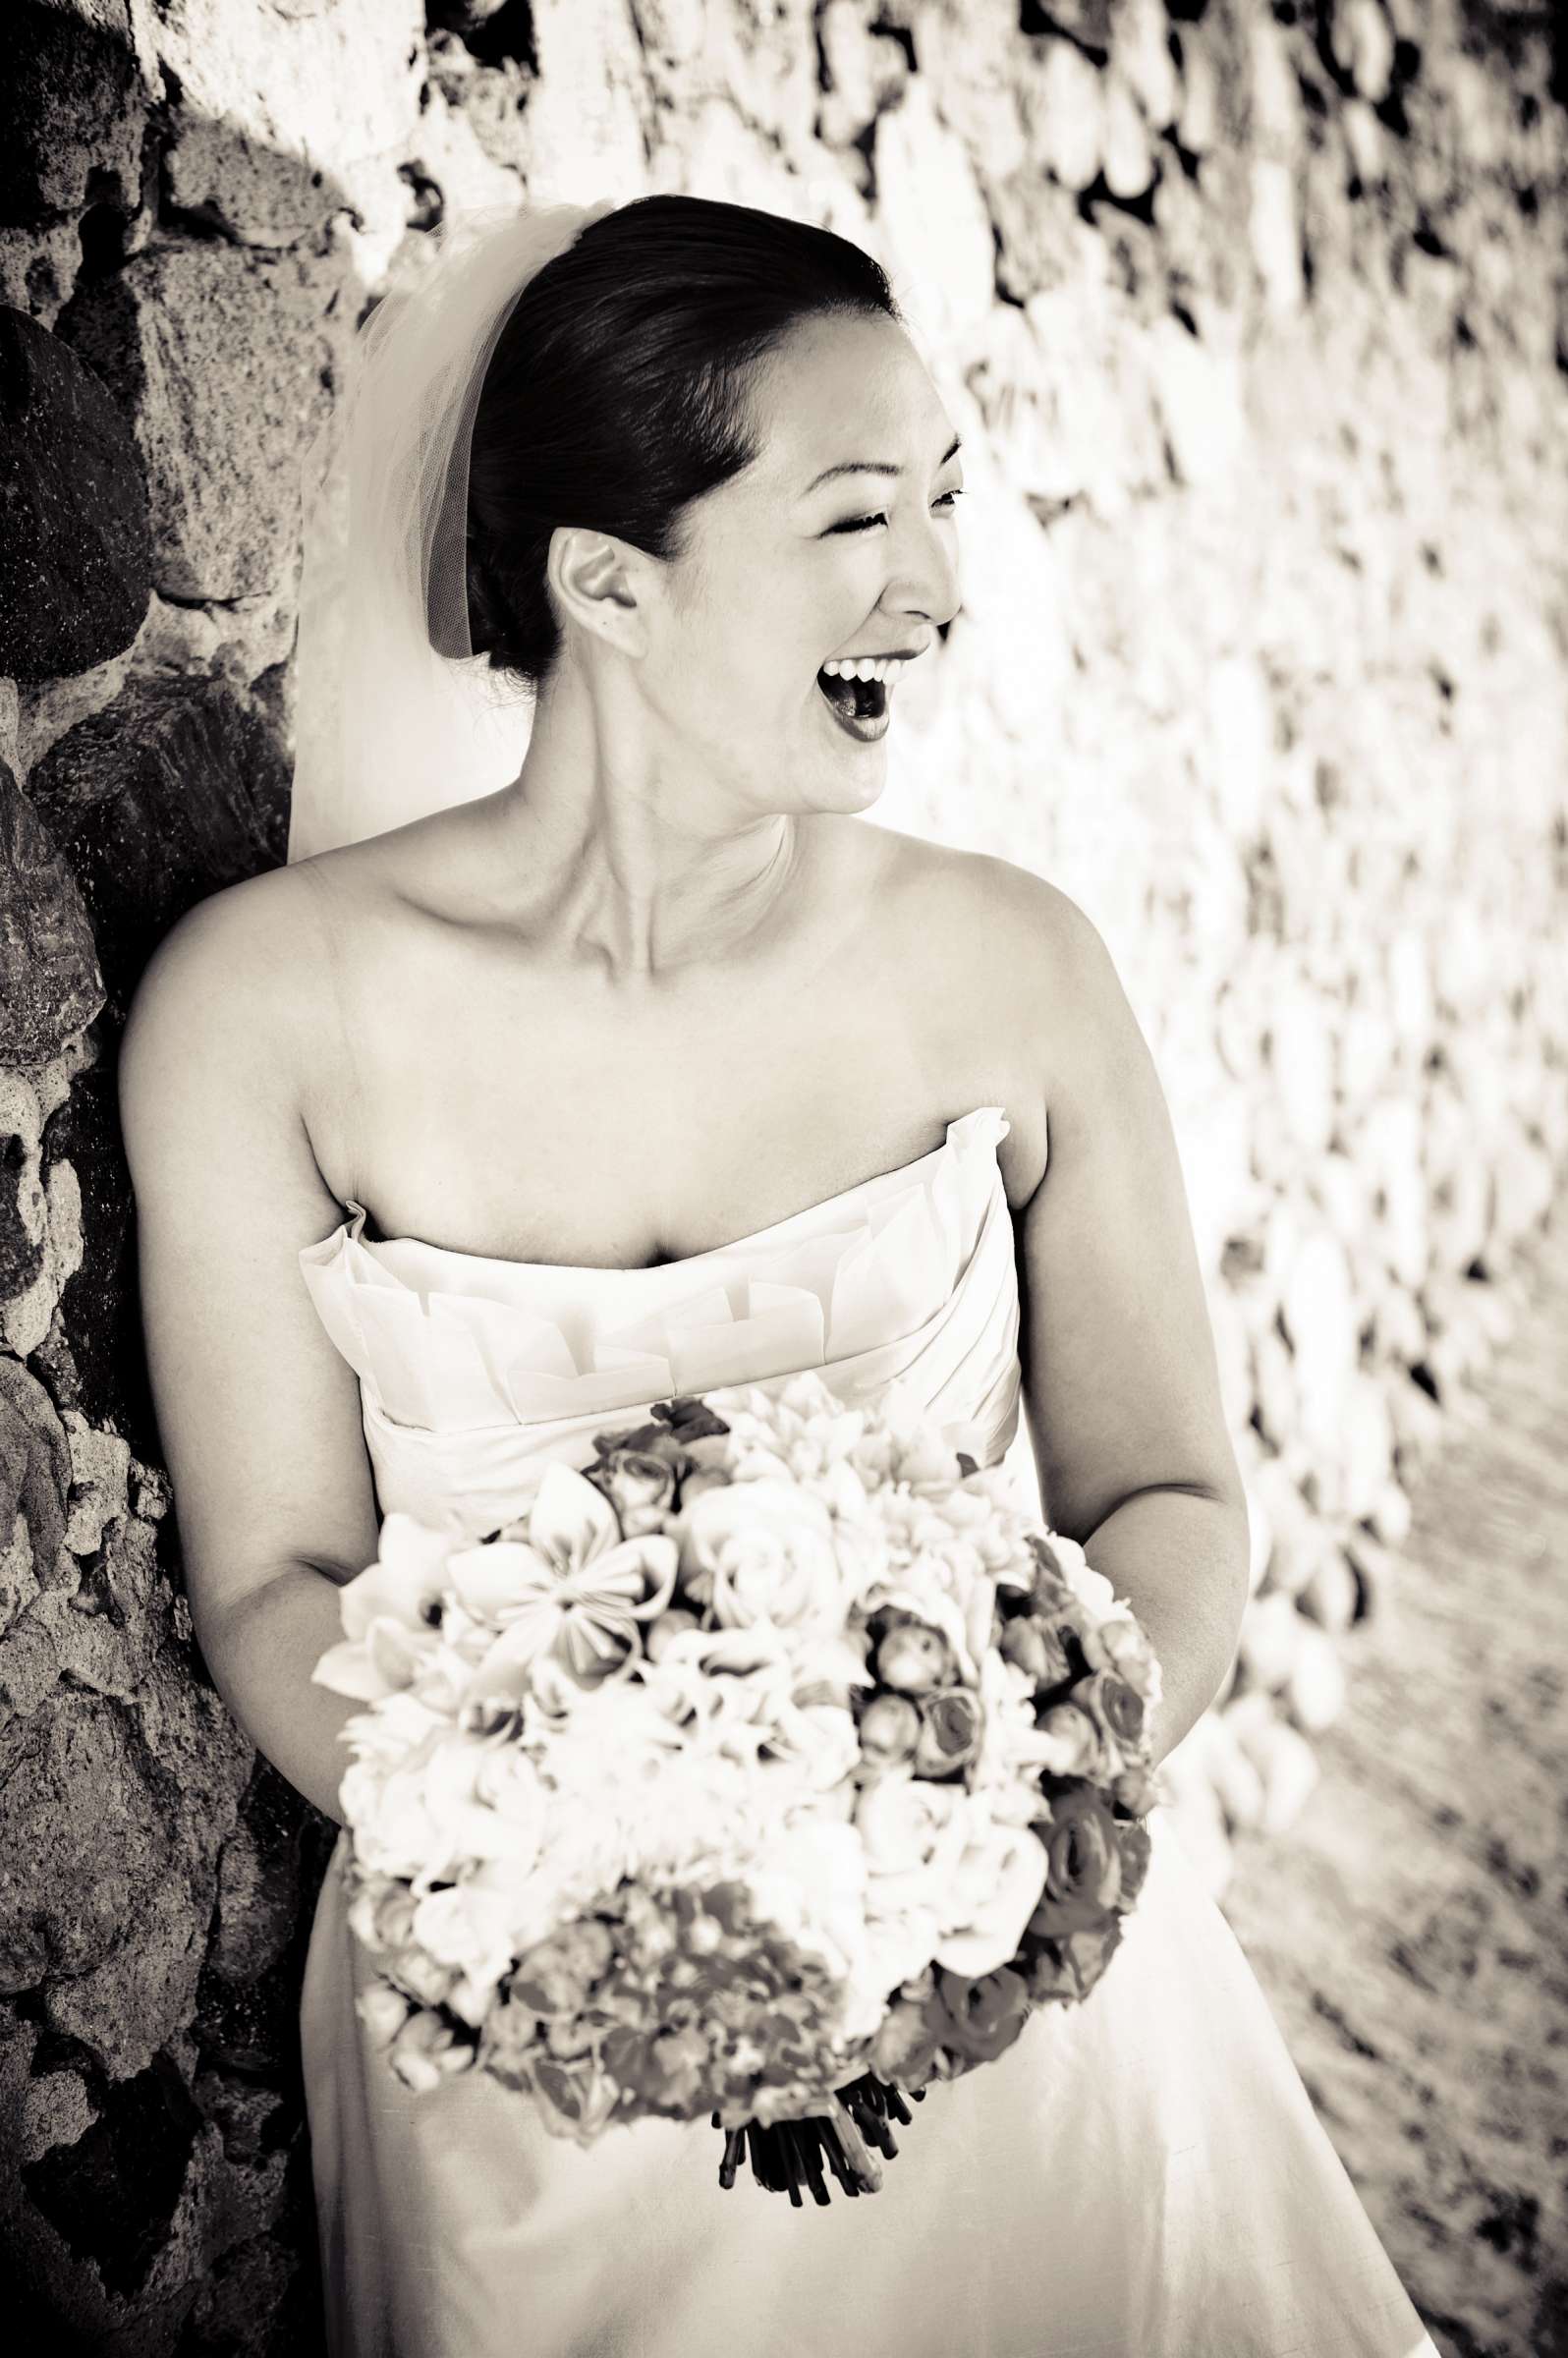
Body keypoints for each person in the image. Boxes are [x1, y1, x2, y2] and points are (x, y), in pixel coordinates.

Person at [117, 194, 1442, 2358]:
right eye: (856, 521)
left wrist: (973, 1840)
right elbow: (275, 1578)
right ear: (611, 583)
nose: (938, 586)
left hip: (1006, 2041)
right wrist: (601, 1874)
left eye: (945, 500)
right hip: (524, 2069)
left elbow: (1176, 1508)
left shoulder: (1011, 966)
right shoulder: (265, 1012)